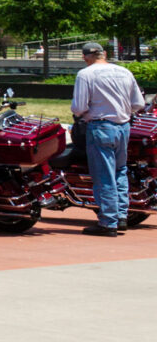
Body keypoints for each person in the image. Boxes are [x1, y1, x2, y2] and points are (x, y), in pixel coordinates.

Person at [73, 41, 149, 236]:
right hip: (123, 127)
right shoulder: (124, 72)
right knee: (120, 171)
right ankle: (122, 216)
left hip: (100, 126)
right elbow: (138, 103)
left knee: (104, 174)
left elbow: (79, 107)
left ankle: (108, 222)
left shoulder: (85, 74)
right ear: (104, 53)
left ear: (84, 57)